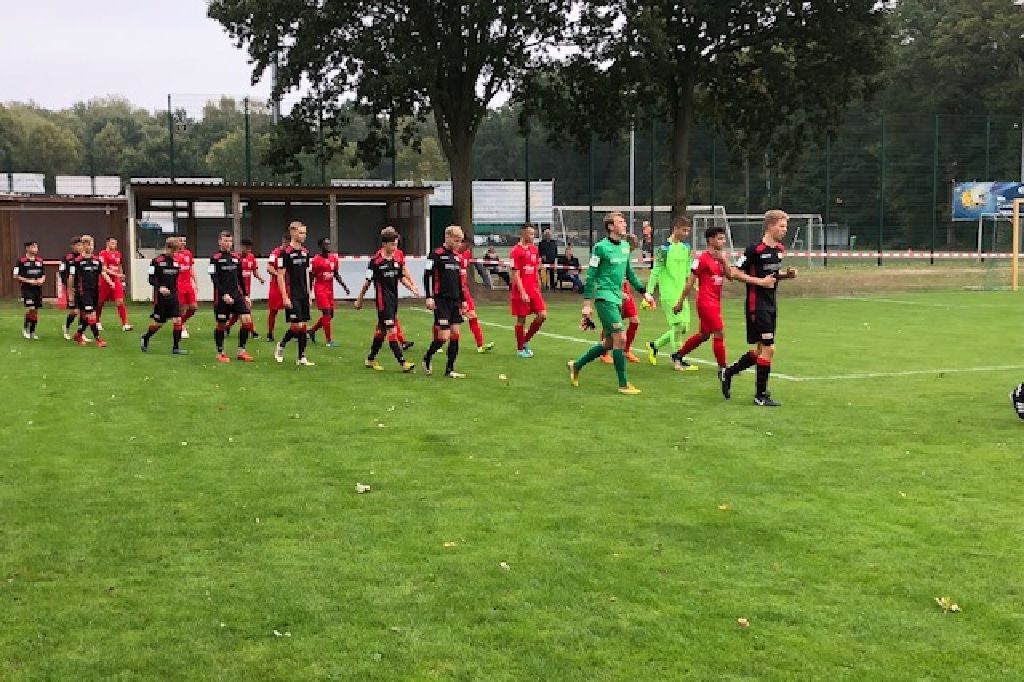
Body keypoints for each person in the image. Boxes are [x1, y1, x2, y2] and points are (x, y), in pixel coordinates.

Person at [567, 211, 654, 395]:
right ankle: (623, 384)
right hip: (604, 298)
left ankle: (576, 365)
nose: (624, 225)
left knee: (608, 343)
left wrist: (645, 293)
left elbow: (629, 273)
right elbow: (591, 277)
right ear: (610, 227)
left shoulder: (624, 246)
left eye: (624, 222)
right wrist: (587, 304)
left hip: (617, 297)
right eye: (620, 222)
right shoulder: (600, 248)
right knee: (621, 338)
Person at [721, 210, 798, 407]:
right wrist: (759, 282)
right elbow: (734, 272)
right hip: (757, 305)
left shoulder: (779, 249)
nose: (784, 230)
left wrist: (785, 275)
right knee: (769, 348)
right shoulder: (754, 249)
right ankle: (760, 396)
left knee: (761, 350)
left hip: (771, 304)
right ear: (770, 226)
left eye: (785, 226)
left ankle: (728, 372)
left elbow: (772, 275)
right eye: (782, 226)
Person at [671, 226, 774, 374]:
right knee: (719, 332)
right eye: (720, 238)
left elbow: (731, 277)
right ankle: (723, 368)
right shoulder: (702, 259)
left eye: (724, 238)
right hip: (705, 301)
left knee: (705, 334)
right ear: (710, 240)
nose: (723, 241)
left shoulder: (721, 257)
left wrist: (724, 260)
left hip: (716, 301)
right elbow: (690, 282)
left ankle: (678, 355)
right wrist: (680, 302)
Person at [354, 226, 418, 372]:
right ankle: (403, 362)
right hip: (383, 302)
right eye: (392, 244)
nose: (395, 247)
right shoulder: (375, 262)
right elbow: (367, 282)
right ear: (384, 244)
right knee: (391, 330)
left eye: (396, 244)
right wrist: (360, 299)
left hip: (393, 300)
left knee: (381, 331)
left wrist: (412, 288)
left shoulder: (395, 260)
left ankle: (370, 359)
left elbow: (401, 277)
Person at [646, 216, 697, 371]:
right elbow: (655, 271)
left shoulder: (686, 248)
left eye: (688, 230)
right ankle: (677, 359)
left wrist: (695, 286)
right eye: (684, 230)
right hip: (669, 293)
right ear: (675, 228)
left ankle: (654, 345)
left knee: (684, 327)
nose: (686, 233)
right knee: (678, 324)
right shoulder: (664, 249)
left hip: (682, 293)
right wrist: (648, 292)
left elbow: (689, 271)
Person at [423, 225, 469, 377]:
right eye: (456, 241)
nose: (458, 244)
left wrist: (463, 300)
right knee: (443, 336)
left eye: (460, 241)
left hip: (455, 300)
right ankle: (427, 357)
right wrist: (429, 296)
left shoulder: (457, 257)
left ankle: (449, 369)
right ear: (447, 237)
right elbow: (427, 276)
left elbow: (459, 281)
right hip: (441, 300)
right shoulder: (435, 254)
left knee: (455, 334)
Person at [209, 230, 255, 363]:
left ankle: (241, 351)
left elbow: (240, 278)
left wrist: (246, 295)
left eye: (230, 241)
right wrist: (223, 294)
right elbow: (215, 279)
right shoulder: (215, 258)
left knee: (247, 320)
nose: (228, 243)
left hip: (237, 295)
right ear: (220, 242)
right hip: (222, 296)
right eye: (225, 241)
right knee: (221, 325)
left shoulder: (236, 258)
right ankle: (220, 352)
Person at [274, 221, 315, 366]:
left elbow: (306, 274)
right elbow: (280, 275)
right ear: (292, 233)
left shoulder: (305, 252)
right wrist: (284, 296)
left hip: (303, 293)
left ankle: (301, 357)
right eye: (300, 232)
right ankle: (282, 345)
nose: (303, 235)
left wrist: (310, 293)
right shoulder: (284, 253)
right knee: (298, 325)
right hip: (292, 294)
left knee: (301, 325)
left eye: (304, 233)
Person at [140, 237, 188, 355]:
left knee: (177, 320)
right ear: (168, 248)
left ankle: (176, 347)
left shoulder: (176, 262)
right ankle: (146, 337)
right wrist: (160, 287)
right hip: (161, 298)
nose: (175, 253)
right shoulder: (156, 261)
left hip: (173, 296)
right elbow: (151, 278)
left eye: (177, 251)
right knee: (158, 324)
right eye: (174, 250)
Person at [600, 233, 642, 364]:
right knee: (611, 323)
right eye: (631, 249)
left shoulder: (626, 255)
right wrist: (618, 292)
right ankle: (604, 353)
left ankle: (626, 350)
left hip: (625, 288)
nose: (630, 252)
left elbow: (631, 274)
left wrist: (643, 292)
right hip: (613, 289)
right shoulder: (610, 251)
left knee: (635, 321)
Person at [510, 223, 547, 358]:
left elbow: (536, 267)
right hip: (521, 290)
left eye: (534, 234)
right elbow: (516, 274)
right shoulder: (516, 251)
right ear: (523, 234)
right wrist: (522, 292)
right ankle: (520, 349)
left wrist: (538, 284)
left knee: (542, 315)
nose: (533, 236)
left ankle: (525, 340)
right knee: (521, 320)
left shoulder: (534, 249)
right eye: (530, 234)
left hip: (533, 289)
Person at [309, 237, 351, 347]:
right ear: (320, 246)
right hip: (320, 289)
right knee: (326, 313)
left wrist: (344, 286)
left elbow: (336, 274)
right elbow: (311, 276)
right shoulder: (316, 260)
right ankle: (329, 341)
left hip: (329, 290)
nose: (328, 246)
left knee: (330, 314)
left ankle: (312, 331)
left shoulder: (333, 259)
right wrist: (309, 291)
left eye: (329, 244)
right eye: (325, 244)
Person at [67, 235, 107, 348]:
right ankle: (98, 339)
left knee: (85, 316)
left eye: (92, 244)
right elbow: (71, 277)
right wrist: (70, 293)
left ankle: (78, 335)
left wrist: (111, 282)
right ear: (84, 245)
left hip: (95, 291)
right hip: (83, 292)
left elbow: (102, 273)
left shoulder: (96, 261)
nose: (91, 247)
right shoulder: (77, 261)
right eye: (88, 244)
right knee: (91, 315)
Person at [458, 237, 494, 353]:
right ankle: (437, 343)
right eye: (467, 246)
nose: (468, 249)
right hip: (451, 291)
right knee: (446, 321)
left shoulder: (467, 254)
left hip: (464, 290)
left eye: (470, 247)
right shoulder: (450, 255)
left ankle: (480, 345)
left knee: (473, 316)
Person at [226, 238, 264, 337]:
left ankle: (227, 327)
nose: (248, 250)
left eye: (249, 249)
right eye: (246, 248)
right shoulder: (235, 258)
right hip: (237, 290)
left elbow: (254, 271)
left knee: (237, 313)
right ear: (241, 247)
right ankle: (253, 331)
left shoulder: (251, 257)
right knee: (246, 310)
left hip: (247, 290)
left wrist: (260, 278)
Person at [97, 236, 132, 331]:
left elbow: (119, 265)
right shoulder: (103, 254)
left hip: (116, 280)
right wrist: (115, 275)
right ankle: (97, 321)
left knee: (120, 301)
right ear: (107, 243)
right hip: (105, 280)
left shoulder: (117, 254)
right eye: (112, 243)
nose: (115, 245)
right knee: (100, 302)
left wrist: (121, 276)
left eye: (116, 244)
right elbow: (103, 269)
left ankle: (125, 324)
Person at [14, 240, 45, 340]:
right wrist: (28, 280)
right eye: (33, 247)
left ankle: (32, 331)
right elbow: (15, 275)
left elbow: (43, 274)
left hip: (38, 289)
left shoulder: (40, 261)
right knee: (30, 308)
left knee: (35, 311)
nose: (36, 249)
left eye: (36, 247)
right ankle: (26, 328)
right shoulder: (21, 261)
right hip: (27, 289)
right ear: (27, 248)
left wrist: (41, 280)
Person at [265, 233, 290, 341]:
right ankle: (270, 333)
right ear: (283, 241)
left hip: (290, 286)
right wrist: (278, 275)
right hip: (276, 286)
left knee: (293, 309)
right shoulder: (275, 253)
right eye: (287, 243)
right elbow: (269, 267)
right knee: (273, 310)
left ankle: (295, 332)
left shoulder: (293, 253)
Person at [174, 234, 199, 338]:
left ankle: (181, 323)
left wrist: (196, 283)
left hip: (188, 285)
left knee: (193, 307)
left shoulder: (188, 253)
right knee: (182, 308)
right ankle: (181, 327)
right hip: (178, 285)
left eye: (184, 240)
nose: (183, 242)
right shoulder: (174, 255)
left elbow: (191, 269)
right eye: (180, 240)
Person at [59, 236, 83, 340]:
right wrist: (68, 287)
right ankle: (67, 328)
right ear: (72, 246)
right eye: (77, 245)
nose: (79, 247)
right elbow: (62, 272)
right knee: (74, 311)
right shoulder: (67, 258)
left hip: (83, 287)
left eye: (80, 245)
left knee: (84, 312)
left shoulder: (84, 257)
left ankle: (80, 333)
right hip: (72, 287)